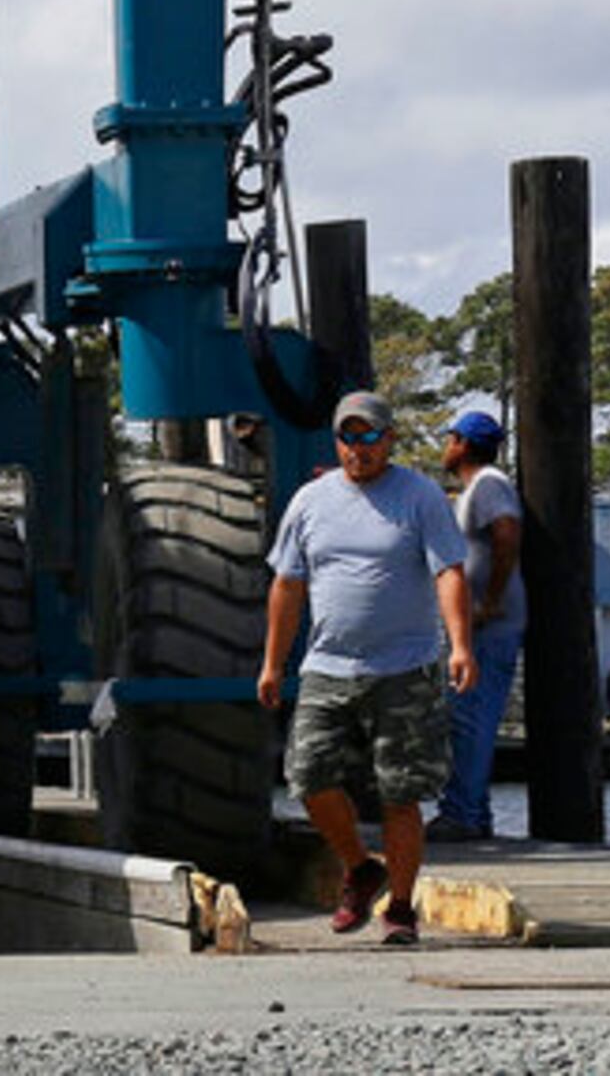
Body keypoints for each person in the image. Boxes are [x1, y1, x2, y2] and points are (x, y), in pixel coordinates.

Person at [256, 390, 474, 947]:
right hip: (329, 665)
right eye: (349, 437)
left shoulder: (421, 496)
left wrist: (460, 645)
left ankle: (400, 907)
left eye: (370, 436)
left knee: (400, 793)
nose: (359, 448)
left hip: (406, 666)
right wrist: (273, 664)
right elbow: (287, 584)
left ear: (389, 439)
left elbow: (449, 571)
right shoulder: (309, 501)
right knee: (307, 774)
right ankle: (359, 867)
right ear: (337, 442)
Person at [432, 405, 525, 843]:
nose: (445, 448)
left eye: (450, 439)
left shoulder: (489, 484)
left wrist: (489, 600)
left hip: (489, 627)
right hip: (475, 627)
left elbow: (506, 534)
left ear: (464, 445)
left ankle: (462, 814)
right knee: (468, 718)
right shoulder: (473, 490)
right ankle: (475, 813)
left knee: (470, 720)